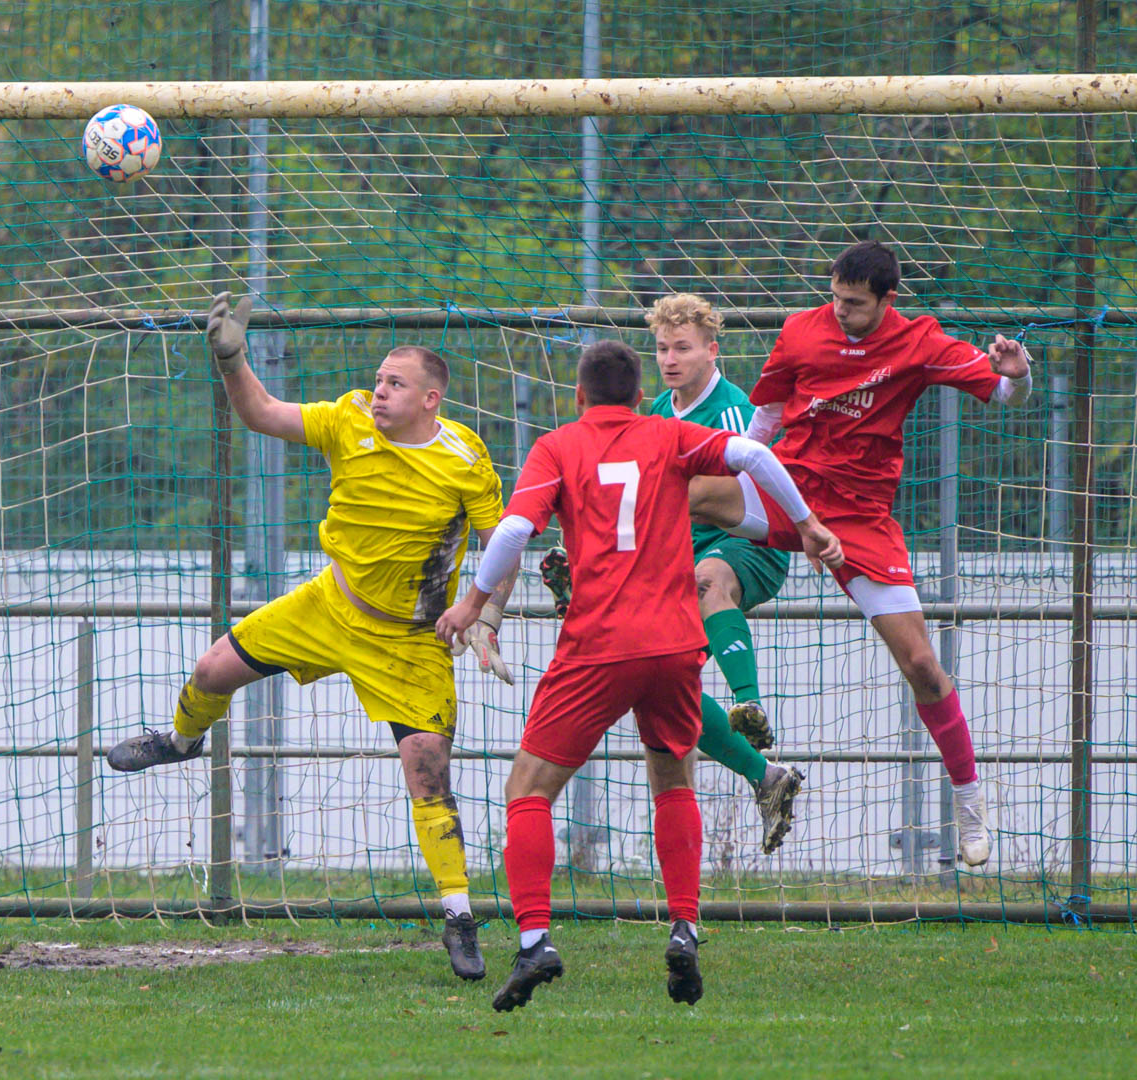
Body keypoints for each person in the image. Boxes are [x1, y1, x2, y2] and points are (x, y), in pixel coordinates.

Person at [107, 292, 517, 981]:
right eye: (379, 379)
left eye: (395, 384)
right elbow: (261, 413)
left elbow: (499, 545)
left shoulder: (465, 458)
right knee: (210, 671)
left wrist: (486, 614)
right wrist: (231, 358)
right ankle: (179, 741)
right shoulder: (347, 417)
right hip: (330, 605)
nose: (378, 391)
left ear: (431, 399)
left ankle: (458, 918)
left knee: (427, 774)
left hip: (409, 640)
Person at [438, 340, 842, 1011]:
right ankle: (683, 928)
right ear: (638, 396)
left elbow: (511, 533)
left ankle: (535, 941)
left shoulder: (558, 447)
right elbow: (752, 456)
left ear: (578, 396)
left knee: (527, 789)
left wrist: (474, 603)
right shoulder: (669, 435)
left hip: (598, 644)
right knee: (672, 776)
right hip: (673, 644)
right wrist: (807, 523)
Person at [687, 241, 1034, 868]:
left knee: (922, 665)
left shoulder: (919, 342)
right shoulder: (802, 331)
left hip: (860, 518)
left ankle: (969, 800)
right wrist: (736, 468)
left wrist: (1019, 372)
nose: (839, 311)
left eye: (853, 303)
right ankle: (603, 572)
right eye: (835, 298)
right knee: (685, 487)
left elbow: (1009, 395)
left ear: (886, 300)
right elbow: (766, 419)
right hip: (790, 491)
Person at [538, 294, 805, 854]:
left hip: (742, 546)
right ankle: (766, 776)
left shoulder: (732, 412)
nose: (670, 359)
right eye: (662, 349)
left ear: (712, 351)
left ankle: (750, 704)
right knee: (661, 684)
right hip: (676, 562)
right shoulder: (657, 410)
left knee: (708, 580)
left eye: (682, 348)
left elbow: (735, 494)